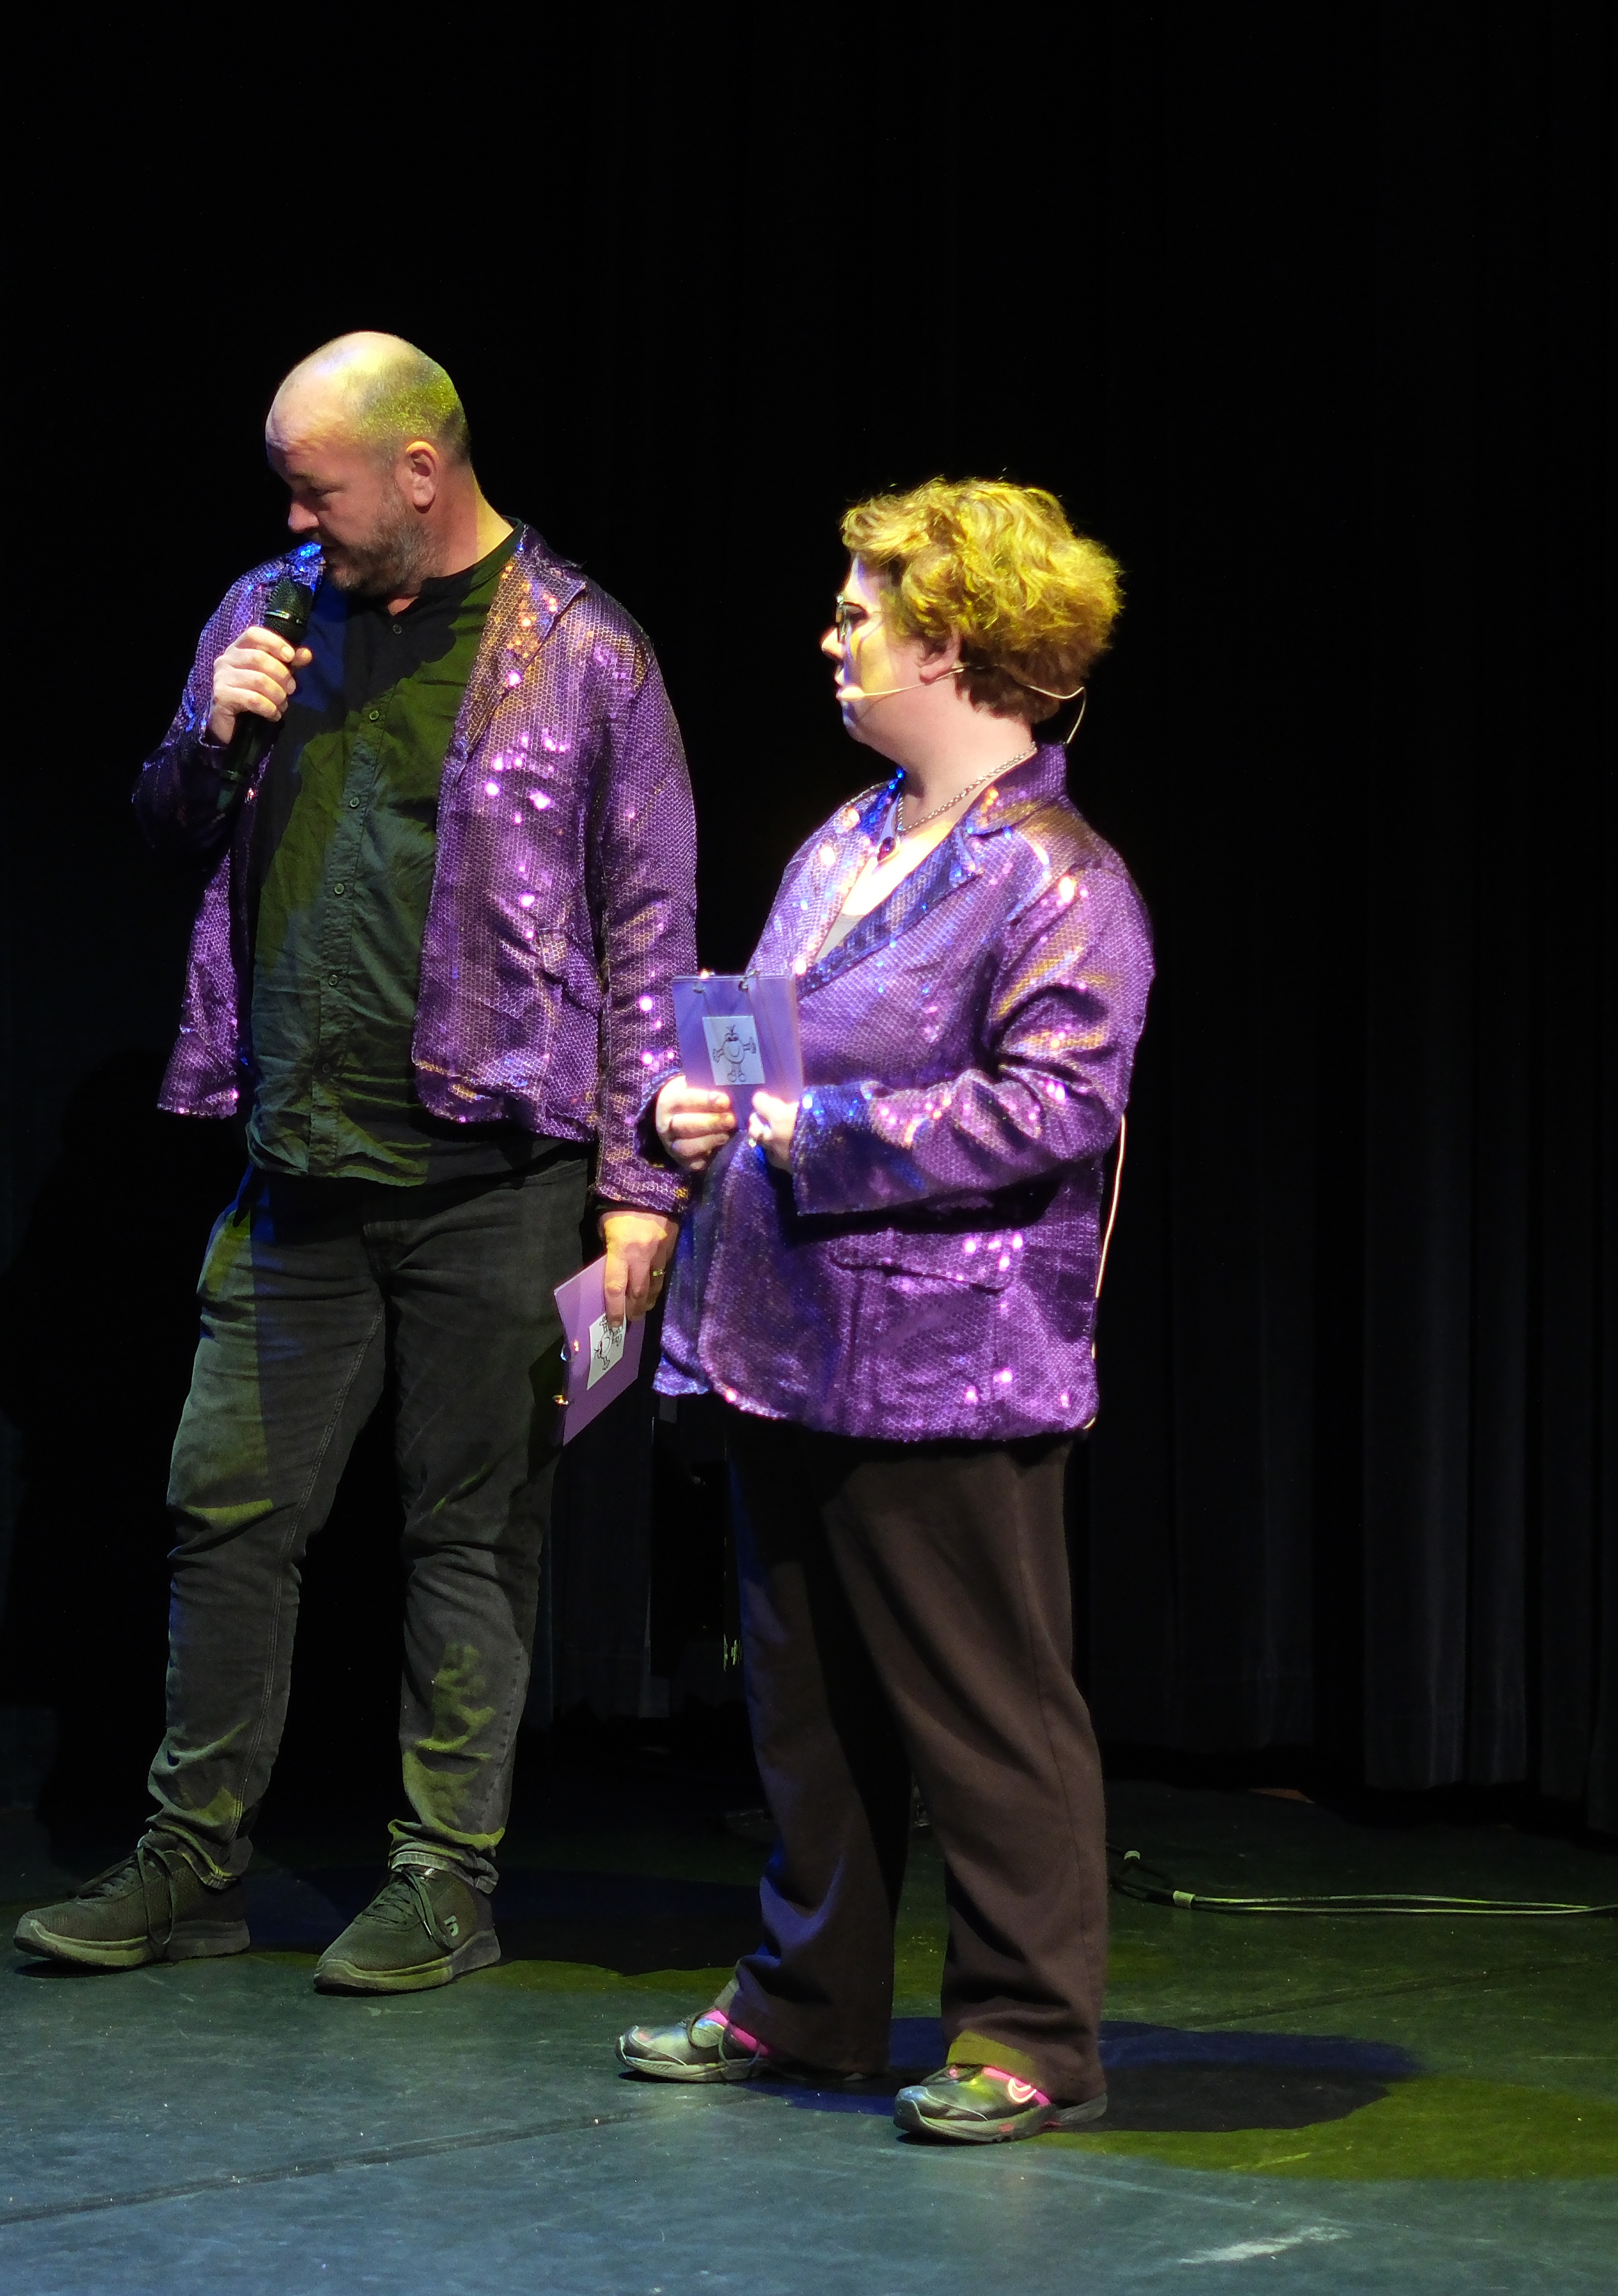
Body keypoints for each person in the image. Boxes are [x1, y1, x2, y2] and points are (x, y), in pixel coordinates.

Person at [13, 333, 698, 1992]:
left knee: (472, 1533)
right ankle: (193, 1857)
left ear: (421, 469)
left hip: (498, 1177)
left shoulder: (586, 653)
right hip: (296, 1169)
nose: (295, 520)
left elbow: (653, 930)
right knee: (223, 1518)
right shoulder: (266, 611)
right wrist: (211, 738)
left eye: (316, 489)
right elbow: (165, 824)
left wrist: (640, 1194)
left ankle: (446, 1878)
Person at [615, 479, 1143, 2142]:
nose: (833, 634)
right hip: (783, 1339)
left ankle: (1029, 2031)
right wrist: (692, 1106)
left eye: (862, 611)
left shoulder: (1060, 878)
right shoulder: (846, 839)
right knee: (806, 1708)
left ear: (954, 641)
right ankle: (808, 2004)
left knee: (986, 1716)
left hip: (945, 1364)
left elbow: (1057, 1108)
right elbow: (758, 1043)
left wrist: (807, 1129)